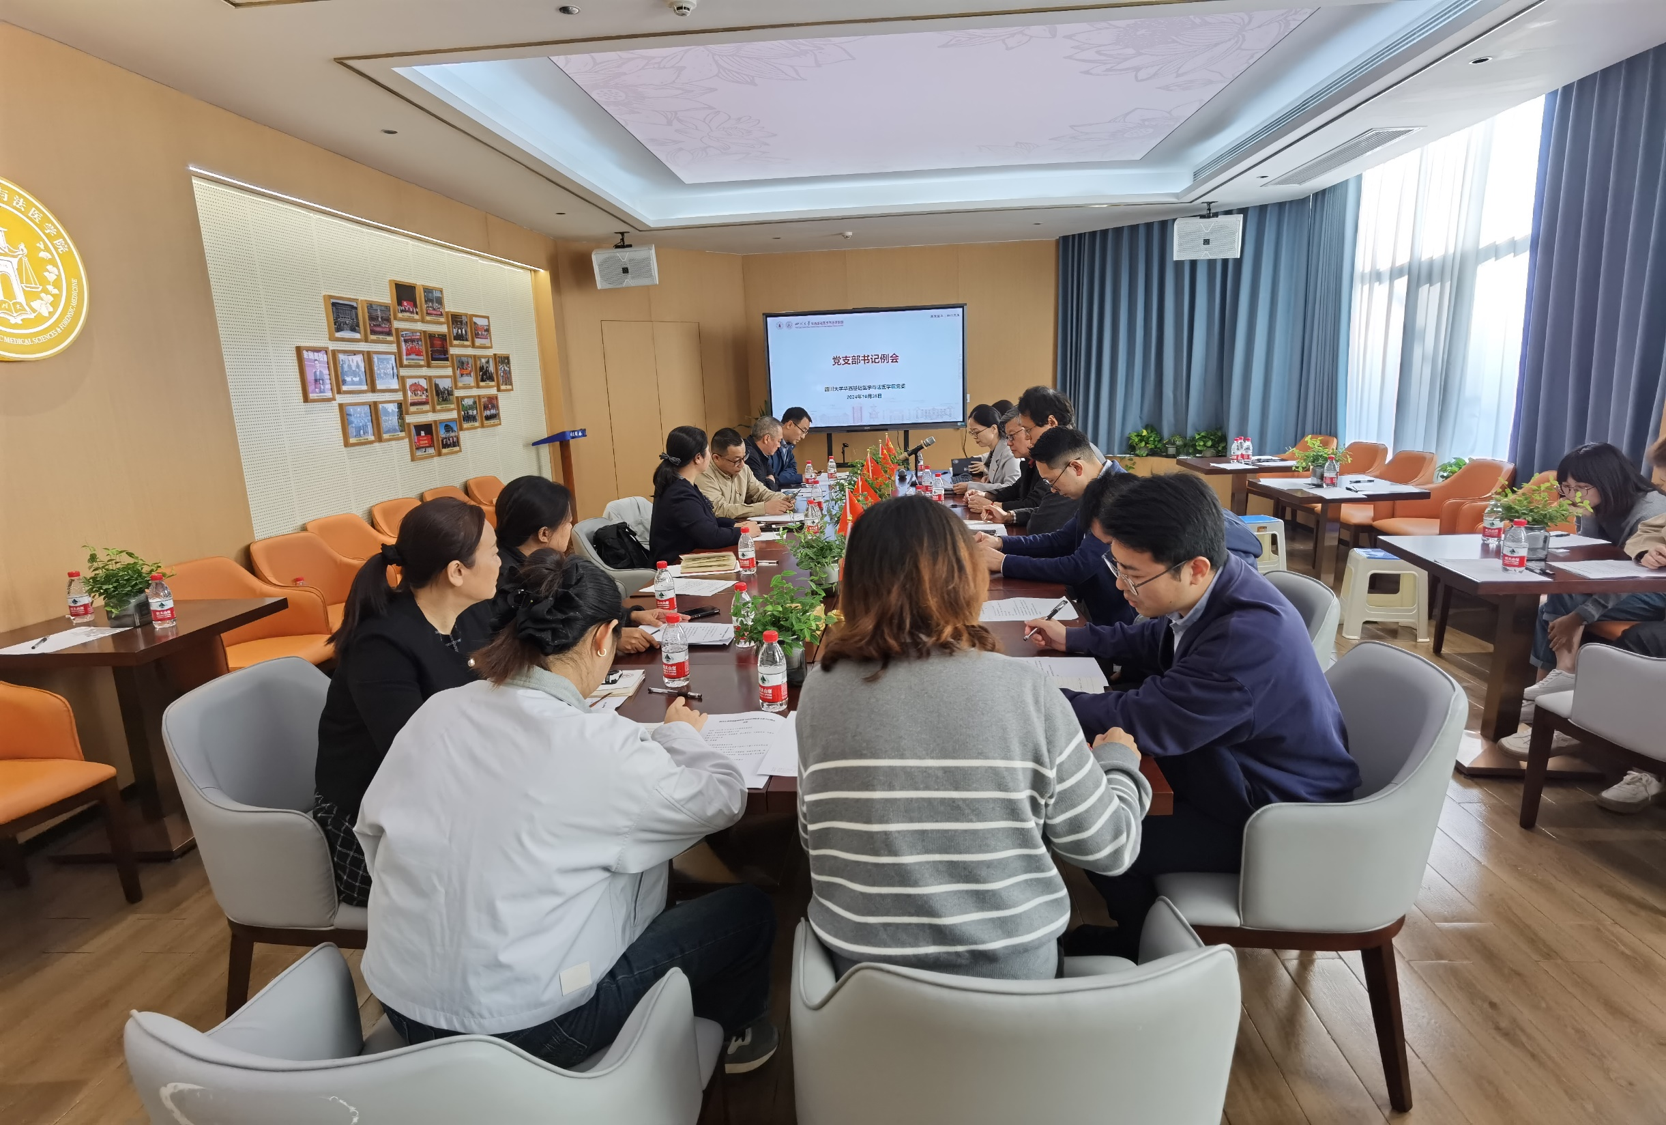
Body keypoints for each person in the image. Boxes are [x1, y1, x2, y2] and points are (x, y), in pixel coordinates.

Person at [357, 551, 779, 1073]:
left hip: (402, 1004)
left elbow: (374, 836)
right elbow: (722, 801)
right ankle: (732, 1040)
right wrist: (679, 736)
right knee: (749, 910)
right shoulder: (597, 745)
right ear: (603, 638)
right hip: (531, 1028)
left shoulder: (437, 711)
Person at [796, 495, 1151, 979]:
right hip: (1012, 980)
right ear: (966, 577)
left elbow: (812, 834)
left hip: (865, 983)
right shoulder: (1024, 688)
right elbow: (1109, 848)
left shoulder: (819, 689)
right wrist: (1118, 763)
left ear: (853, 581)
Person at [1025, 473, 1358, 958]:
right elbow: (1158, 638)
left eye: (1132, 575)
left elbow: (1148, 718)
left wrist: (1031, 700)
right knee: (1102, 787)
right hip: (1234, 769)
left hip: (1274, 817)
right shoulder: (1222, 584)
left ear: (1195, 568)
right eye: (1116, 567)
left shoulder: (1245, 639)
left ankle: (1139, 945)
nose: (1119, 585)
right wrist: (1075, 637)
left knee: (1095, 832)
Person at [311, 498, 499, 907]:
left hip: (450, 798)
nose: (500, 563)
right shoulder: (382, 644)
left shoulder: (471, 613)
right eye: (493, 553)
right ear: (457, 571)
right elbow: (413, 759)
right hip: (375, 825)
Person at [1501, 443, 1666, 806]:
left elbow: (1629, 579)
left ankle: (1566, 698)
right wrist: (1588, 515)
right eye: (1567, 487)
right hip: (1628, 585)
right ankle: (1553, 700)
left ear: (1608, 481)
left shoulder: (1651, 507)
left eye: (1580, 488)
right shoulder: (1608, 505)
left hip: (1651, 594)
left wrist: (1580, 617)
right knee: (1559, 591)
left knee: (1574, 605)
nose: (1572, 495)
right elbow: (1607, 554)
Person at [972, 428, 1134, 626]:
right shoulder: (1096, 488)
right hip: (1093, 611)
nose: (1053, 490)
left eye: (1052, 481)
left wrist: (1004, 563)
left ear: (1076, 467)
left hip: (1120, 623)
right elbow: (1060, 540)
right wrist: (1000, 543)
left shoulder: (1117, 496)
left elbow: (1079, 567)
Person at [491, 475, 661, 654]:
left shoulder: (538, 562)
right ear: (544, 534)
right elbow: (535, 643)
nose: (570, 528)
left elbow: (576, 608)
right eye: (568, 523)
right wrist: (611, 639)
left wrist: (631, 616)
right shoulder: (509, 581)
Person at [649, 426, 754, 564]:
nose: (710, 456)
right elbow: (711, 537)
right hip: (676, 565)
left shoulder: (683, 484)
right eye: (708, 451)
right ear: (698, 458)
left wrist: (735, 524)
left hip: (690, 558)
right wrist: (744, 532)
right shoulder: (679, 493)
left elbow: (706, 521)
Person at [697, 428, 793, 519]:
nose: (742, 464)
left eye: (744, 457)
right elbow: (719, 509)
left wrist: (783, 499)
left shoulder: (744, 469)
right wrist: (763, 508)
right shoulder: (704, 473)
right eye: (737, 460)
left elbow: (760, 492)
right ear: (716, 458)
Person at [961, 403, 1021, 489]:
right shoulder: (995, 450)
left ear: (993, 429)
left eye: (976, 432)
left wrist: (971, 486)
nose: (974, 436)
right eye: (972, 432)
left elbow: (1011, 487)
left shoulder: (1009, 452)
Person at [745, 416, 786, 490]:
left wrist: (770, 481)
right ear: (767, 439)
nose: (779, 446)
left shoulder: (762, 453)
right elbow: (763, 491)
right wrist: (771, 481)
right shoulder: (749, 455)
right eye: (779, 441)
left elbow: (776, 480)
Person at [775, 407, 812, 489]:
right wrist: (800, 478)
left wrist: (783, 477)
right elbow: (774, 478)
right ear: (790, 424)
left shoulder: (788, 446)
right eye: (803, 431)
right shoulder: (772, 445)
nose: (803, 437)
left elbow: (792, 468)